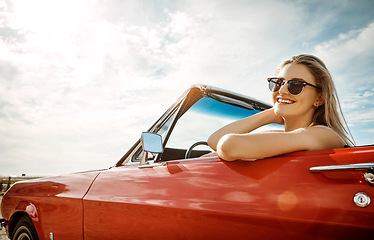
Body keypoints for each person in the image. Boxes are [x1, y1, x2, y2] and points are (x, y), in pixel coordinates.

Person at [207, 54, 354, 161]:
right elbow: (214, 142)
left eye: (295, 85)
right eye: (278, 83)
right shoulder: (283, 136)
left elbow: (228, 146)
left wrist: (273, 111)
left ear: (319, 98)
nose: (282, 91)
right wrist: (271, 113)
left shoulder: (323, 134)